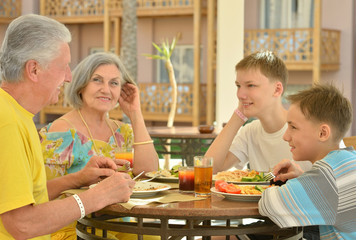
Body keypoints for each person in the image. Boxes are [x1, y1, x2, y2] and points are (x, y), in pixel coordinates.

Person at [0, 14, 135, 240]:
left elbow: (30, 197)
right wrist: (96, 197)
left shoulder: (17, 115)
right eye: (64, 67)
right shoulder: (7, 122)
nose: (69, 77)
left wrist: (79, 178)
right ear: (34, 70)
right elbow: (21, 224)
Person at [39, 52, 159, 239]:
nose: (106, 89)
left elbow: (149, 171)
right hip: (72, 226)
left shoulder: (123, 131)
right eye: (97, 80)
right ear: (81, 86)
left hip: (119, 222)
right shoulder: (62, 131)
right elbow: (43, 192)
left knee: (152, 237)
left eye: (114, 83)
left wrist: (135, 113)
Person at [259, 84, 356, 239]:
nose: (285, 136)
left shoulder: (327, 174)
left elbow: (269, 205)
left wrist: (270, 180)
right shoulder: (347, 162)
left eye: (293, 127)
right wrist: (304, 178)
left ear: (322, 133)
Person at [205, 50, 311, 174]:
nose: (240, 95)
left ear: (277, 89)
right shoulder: (250, 132)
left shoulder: (305, 131)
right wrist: (239, 114)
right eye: (238, 86)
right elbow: (209, 168)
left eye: (250, 85)